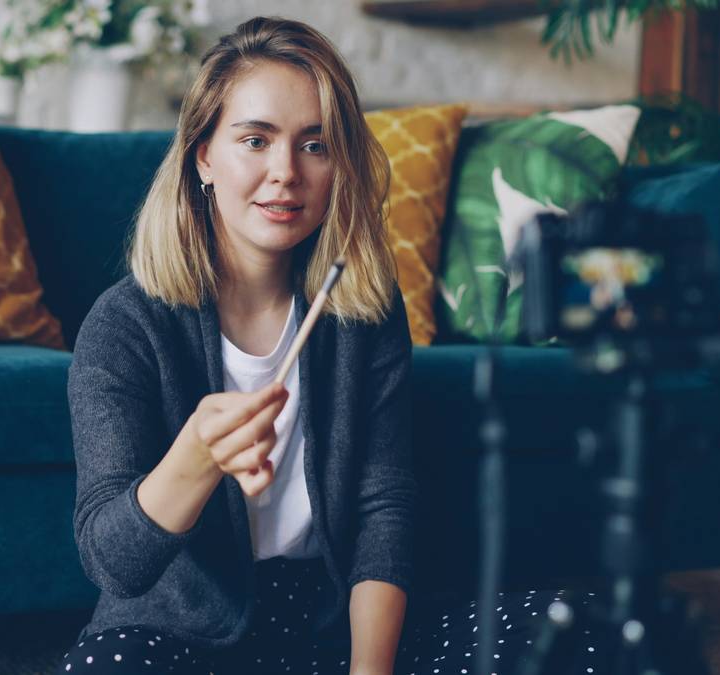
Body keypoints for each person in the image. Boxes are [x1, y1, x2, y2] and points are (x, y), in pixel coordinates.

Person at [58, 15, 604, 675]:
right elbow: (113, 561)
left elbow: (385, 507)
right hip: (179, 635)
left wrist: (368, 670)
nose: (285, 171)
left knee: (586, 633)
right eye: (255, 140)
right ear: (203, 154)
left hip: (333, 622)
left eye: (314, 145)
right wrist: (196, 459)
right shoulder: (123, 325)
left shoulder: (363, 309)